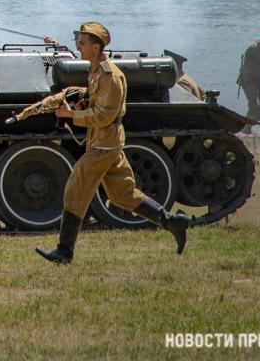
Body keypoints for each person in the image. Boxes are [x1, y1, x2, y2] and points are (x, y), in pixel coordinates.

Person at [36, 22, 190, 264]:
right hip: (102, 141)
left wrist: (71, 115)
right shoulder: (96, 71)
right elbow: (100, 107)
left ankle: (64, 252)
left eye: (82, 43)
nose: (78, 46)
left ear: (96, 47)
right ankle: (171, 222)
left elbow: (105, 116)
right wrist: (84, 104)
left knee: (76, 189)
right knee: (123, 194)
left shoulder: (110, 75)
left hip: (104, 144)